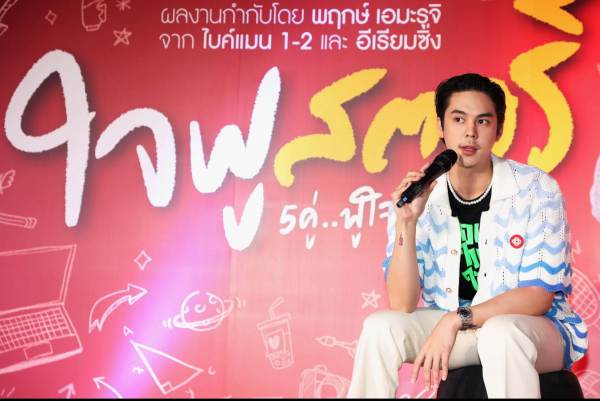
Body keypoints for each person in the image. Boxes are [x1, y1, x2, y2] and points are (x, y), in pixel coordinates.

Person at [347, 73, 588, 398]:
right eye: (458, 119)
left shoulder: (535, 189)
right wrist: (407, 222)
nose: (470, 132)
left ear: (499, 130)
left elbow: (538, 296)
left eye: (483, 121)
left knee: (500, 333)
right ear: (441, 126)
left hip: (532, 330)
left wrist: (456, 319)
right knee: (380, 327)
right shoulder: (422, 193)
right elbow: (401, 303)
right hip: (460, 331)